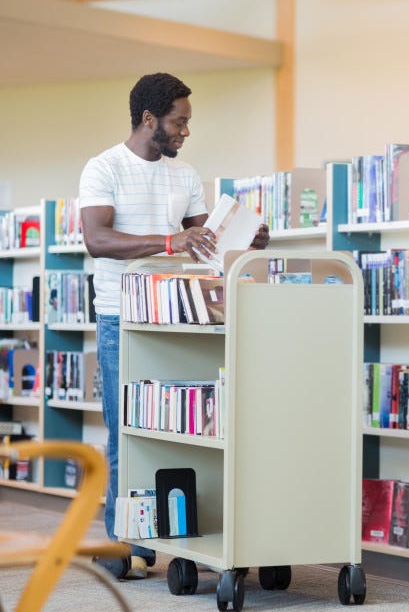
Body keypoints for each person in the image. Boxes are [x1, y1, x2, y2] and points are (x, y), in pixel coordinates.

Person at [79, 72, 269, 579]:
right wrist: (167, 244)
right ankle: (126, 543)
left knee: (186, 427)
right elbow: (96, 239)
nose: (186, 132)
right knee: (128, 430)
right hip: (123, 316)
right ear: (149, 119)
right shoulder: (104, 168)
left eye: (187, 123)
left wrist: (245, 241)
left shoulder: (184, 174)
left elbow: (201, 242)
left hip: (180, 315)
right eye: (179, 122)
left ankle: (182, 530)